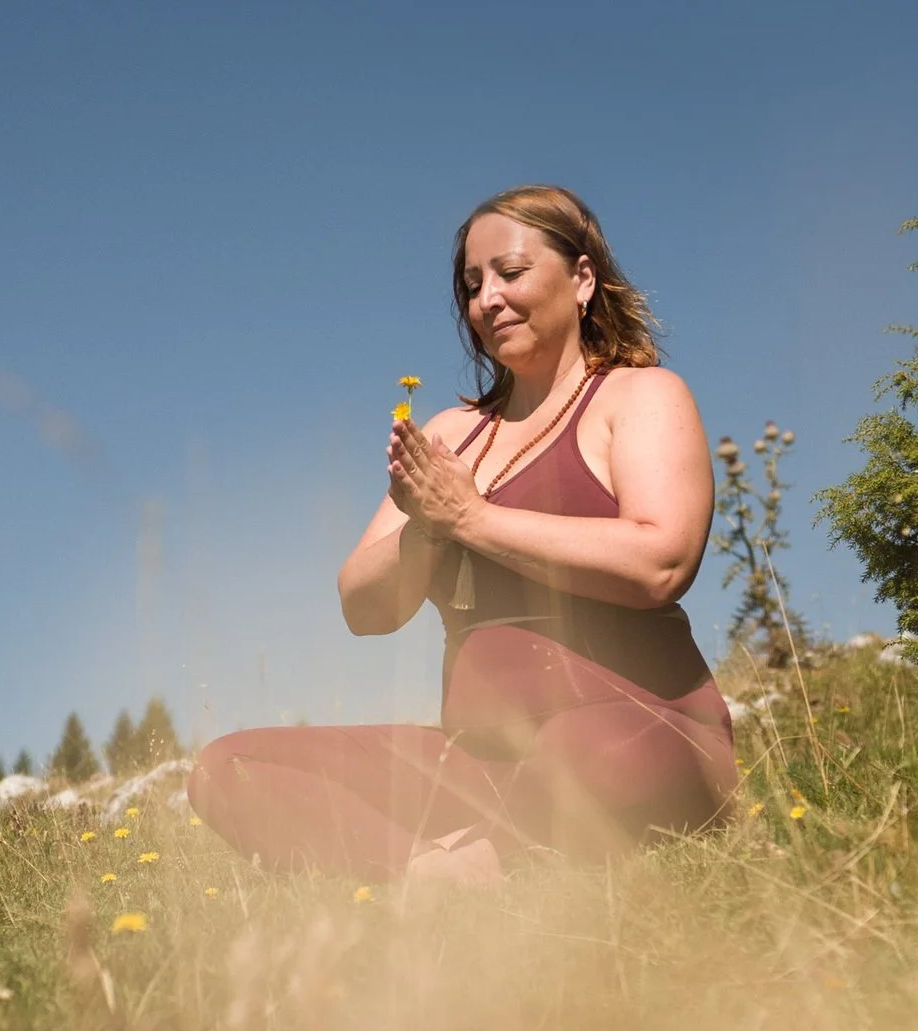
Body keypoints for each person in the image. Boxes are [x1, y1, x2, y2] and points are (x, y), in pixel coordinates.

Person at [189, 185, 737, 888]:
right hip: (477, 765)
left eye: (510, 273)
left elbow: (661, 561)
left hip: (631, 736)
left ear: (582, 279)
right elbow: (365, 609)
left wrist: (475, 520)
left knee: (596, 753)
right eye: (472, 285)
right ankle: (443, 877)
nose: (488, 300)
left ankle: (469, 868)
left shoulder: (639, 396)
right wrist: (428, 530)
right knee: (228, 767)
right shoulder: (451, 438)